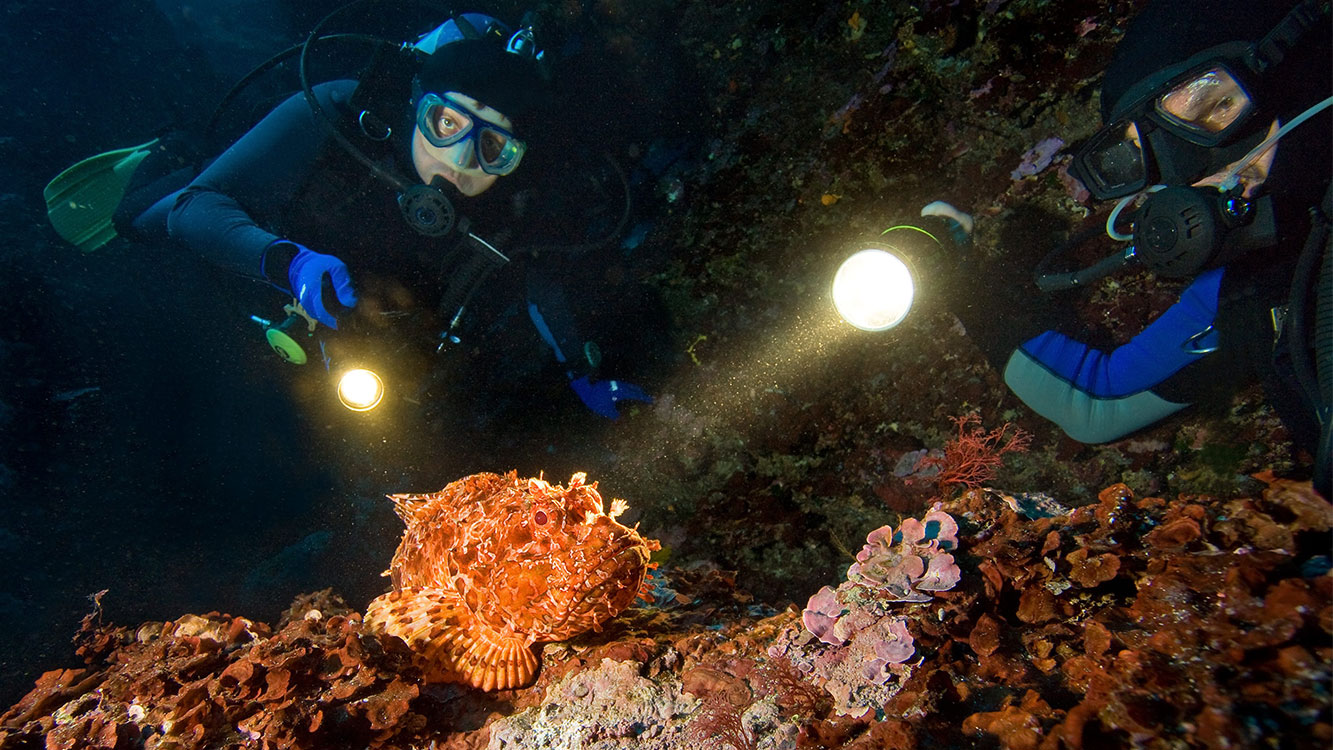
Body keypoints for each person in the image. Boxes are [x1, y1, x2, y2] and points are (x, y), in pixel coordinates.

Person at [92, 10, 652, 420]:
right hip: (268, 223)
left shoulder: (515, 198)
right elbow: (195, 210)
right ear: (416, 106)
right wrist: (287, 263)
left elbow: (540, 281)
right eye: (447, 125)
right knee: (141, 221)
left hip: (363, 320)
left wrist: (586, 373)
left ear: (515, 160)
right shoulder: (340, 110)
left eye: (493, 148)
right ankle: (170, 149)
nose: (458, 162)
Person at [938, 0, 1331, 495]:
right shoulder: (1260, 291)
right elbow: (1099, 400)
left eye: (1217, 109)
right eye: (1161, 158)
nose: (1207, 173)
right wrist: (956, 283)